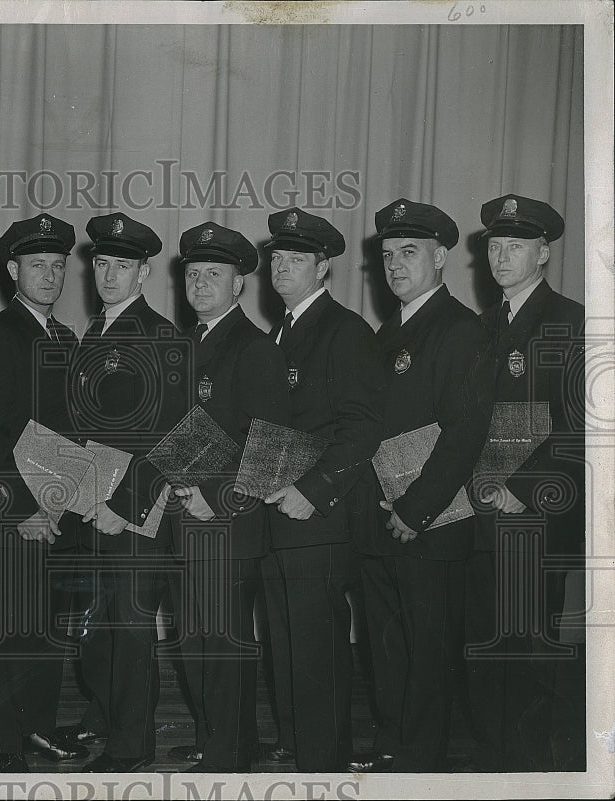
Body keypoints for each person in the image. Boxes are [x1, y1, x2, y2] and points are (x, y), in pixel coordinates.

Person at [350, 198, 492, 772]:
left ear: (440, 259)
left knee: (427, 650)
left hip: (428, 522)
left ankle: (420, 763)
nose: (396, 265)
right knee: (388, 646)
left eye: (409, 253)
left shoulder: (460, 330)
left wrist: (416, 510)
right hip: (380, 518)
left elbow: (466, 436)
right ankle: (391, 747)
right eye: (387, 256)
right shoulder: (387, 331)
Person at [0, 213, 88, 772]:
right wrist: (22, 509)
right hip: (12, 515)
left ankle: (38, 726)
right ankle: (4, 740)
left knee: (45, 632)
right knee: (7, 633)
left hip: (58, 514)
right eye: (38, 265)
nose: (50, 275)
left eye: (58, 266)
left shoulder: (66, 337)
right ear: (12, 269)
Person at [258, 209, 385, 772]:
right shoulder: (278, 332)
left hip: (320, 518)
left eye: (296, 259)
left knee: (315, 650)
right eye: (276, 258)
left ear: (324, 266)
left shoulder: (345, 331)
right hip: (275, 518)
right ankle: (297, 751)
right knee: (285, 646)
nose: (281, 267)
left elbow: (361, 428)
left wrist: (313, 490)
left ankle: (324, 766)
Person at [464, 194, 585, 771]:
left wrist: (527, 485)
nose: (503, 255)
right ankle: (492, 769)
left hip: (536, 514)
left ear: (543, 252)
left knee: (530, 651)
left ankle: (533, 775)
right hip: (481, 511)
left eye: (517, 245)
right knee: (485, 650)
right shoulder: (481, 326)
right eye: (496, 245)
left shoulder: (571, 320)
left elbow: (582, 426)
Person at [165, 221, 290, 773]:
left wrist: (214, 498)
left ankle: (230, 754)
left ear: (239, 284)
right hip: (180, 516)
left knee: (221, 647)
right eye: (193, 274)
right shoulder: (183, 345)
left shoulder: (255, 348)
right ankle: (213, 738)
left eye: (213, 275)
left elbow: (269, 446)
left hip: (226, 521)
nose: (200, 284)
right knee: (194, 645)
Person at [68, 212, 188, 773]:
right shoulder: (97, 330)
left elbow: (171, 437)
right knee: (100, 627)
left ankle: (131, 748)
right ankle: (105, 718)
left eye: (123, 265)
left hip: (134, 514)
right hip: (92, 506)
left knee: (132, 629)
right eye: (102, 263)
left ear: (144, 273)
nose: (110, 275)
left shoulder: (161, 336)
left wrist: (124, 508)